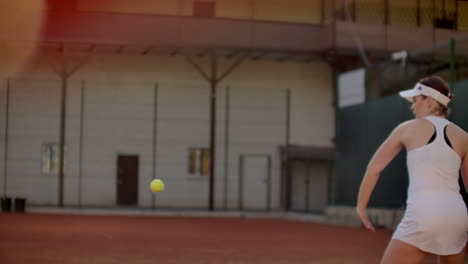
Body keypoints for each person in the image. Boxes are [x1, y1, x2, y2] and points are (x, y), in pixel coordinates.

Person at [356, 76, 468, 264]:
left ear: (430, 101)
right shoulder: (464, 137)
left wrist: (361, 206)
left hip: (423, 214)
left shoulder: (406, 129)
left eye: (416, 100)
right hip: (457, 217)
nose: (412, 107)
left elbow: (374, 169)